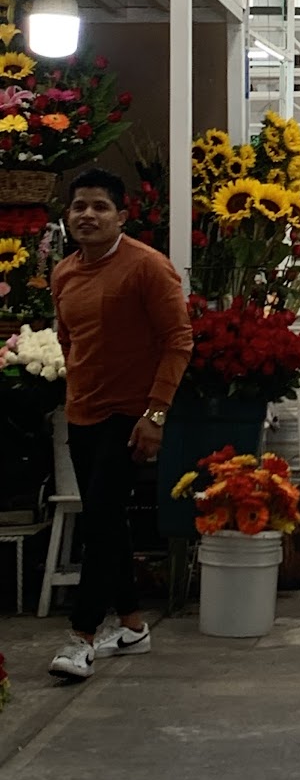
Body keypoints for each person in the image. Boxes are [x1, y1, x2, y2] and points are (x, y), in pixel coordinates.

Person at [48, 168, 193, 682]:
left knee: (100, 521)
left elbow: (179, 341)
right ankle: (132, 624)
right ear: (67, 216)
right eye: (79, 206)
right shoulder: (64, 272)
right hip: (82, 411)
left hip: (131, 416)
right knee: (107, 521)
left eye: (100, 207)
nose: (87, 215)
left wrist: (155, 414)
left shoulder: (148, 268)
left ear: (122, 216)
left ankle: (82, 636)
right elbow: (70, 341)